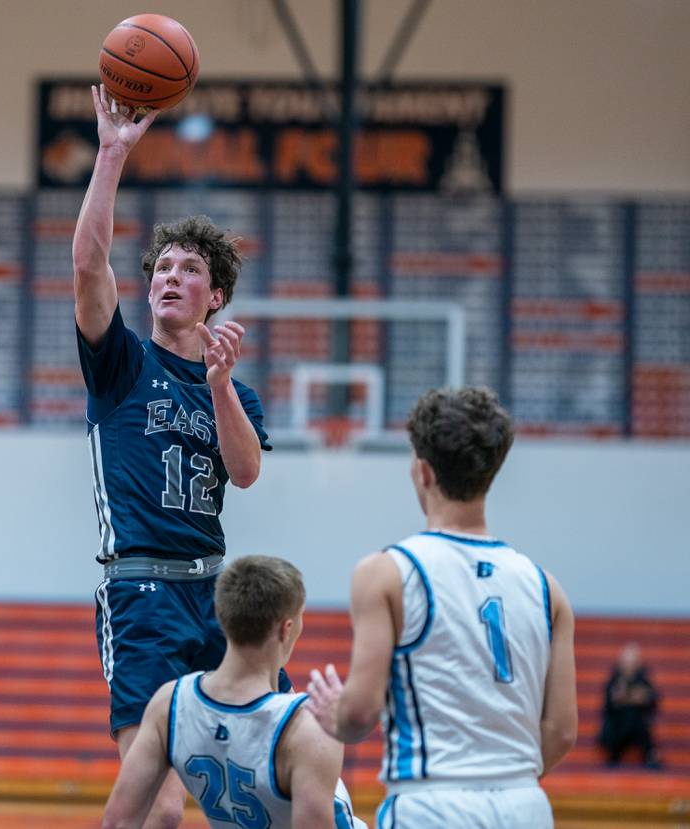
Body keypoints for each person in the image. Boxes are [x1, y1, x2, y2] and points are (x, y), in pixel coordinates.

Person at [72, 85, 288, 829]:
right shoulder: (121, 364)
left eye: (188, 268)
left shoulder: (240, 392)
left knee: (271, 786)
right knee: (160, 809)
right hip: (142, 596)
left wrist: (221, 386)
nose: (169, 276)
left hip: (220, 599)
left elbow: (249, 470)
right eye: (162, 267)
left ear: (215, 295)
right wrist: (111, 153)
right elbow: (89, 263)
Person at [307, 387, 578, 829]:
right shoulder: (549, 589)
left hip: (432, 801)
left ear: (423, 471)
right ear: (491, 473)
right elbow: (563, 731)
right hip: (524, 803)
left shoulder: (387, 572)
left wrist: (333, 713)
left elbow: (358, 717)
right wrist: (501, 781)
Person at [102, 555, 366, 829]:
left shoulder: (169, 705)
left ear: (221, 619)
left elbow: (118, 823)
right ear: (287, 629)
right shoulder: (306, 725)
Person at [599, 643, 661, 768]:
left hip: (638, 728)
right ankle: (649, 756)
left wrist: (627, 698)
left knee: (634, 719)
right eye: (626, 661)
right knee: (628, 718)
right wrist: (634, 698)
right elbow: (610, 702)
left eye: (632, 661)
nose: (629, 665)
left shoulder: (643, 678)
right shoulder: (614, 678)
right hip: (617, 727)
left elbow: (651, 699)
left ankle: (648, 756)